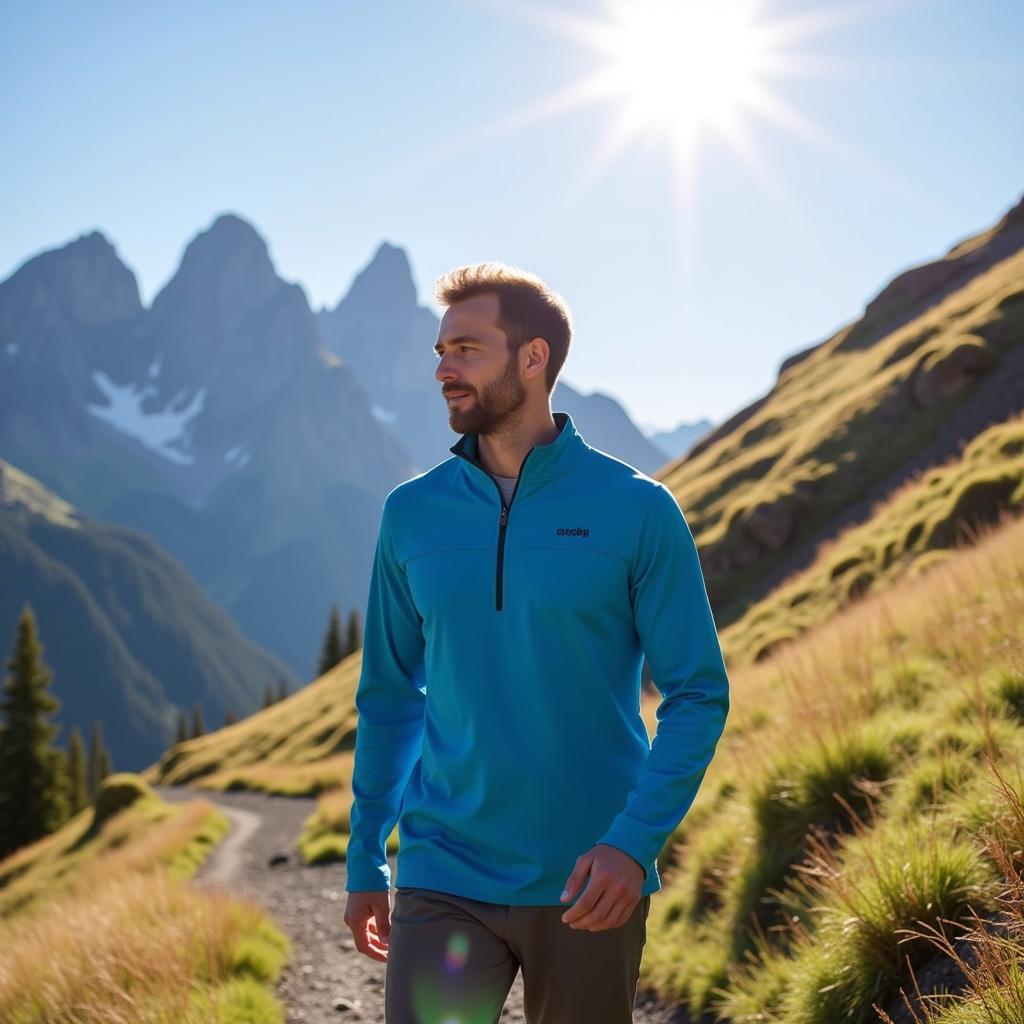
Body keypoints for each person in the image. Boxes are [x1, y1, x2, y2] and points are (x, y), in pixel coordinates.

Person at [343, 262, 731, 1023]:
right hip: (441, 871)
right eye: (440, 350)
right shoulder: (411, 514)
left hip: (588, 877)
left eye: (466, 348)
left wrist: (633, 842)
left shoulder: (637, 510)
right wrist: (365, 857)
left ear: (534, 358)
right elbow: (390, 696)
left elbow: (697, 694)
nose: (443, 368)